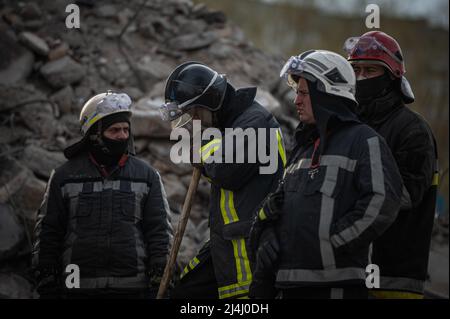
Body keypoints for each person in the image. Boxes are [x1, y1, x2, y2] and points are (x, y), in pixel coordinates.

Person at [249, 50, 403, 299]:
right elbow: (278, 207)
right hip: (288, 286)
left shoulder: (364, 141)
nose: (296, 101)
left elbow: (382, 201)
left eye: (304, 93)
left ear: (326, 93)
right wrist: (267, 237)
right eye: (296, 92)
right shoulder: (302, 148)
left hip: (336, 287)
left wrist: (331, 243)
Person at [160, 62, 286, 299]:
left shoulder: (255, 122)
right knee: (187, 291)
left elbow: (226, 171)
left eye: (195, 113)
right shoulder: (230, 125)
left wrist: (203, 149)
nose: (194, 120)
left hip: (248, 245)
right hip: (226, 241)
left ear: (212, 101)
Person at [32, 91, 172, 299]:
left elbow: (159, 232)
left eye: (126, 130)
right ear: (94, 134)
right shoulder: (64, 176)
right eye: (114, 130)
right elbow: (49, 232)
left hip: (132, 289)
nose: (122, 136)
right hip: (77, 288)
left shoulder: (147, 176)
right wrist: (47, 278)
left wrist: (160, 275)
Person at [344, 31, 439, 298]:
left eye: (370, 70)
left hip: (393, 279)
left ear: (391, 75)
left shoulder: (412, 130)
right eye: (356, 70)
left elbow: (402, 196)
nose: (361, 77)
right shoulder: (352, 126)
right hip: (350, 275)